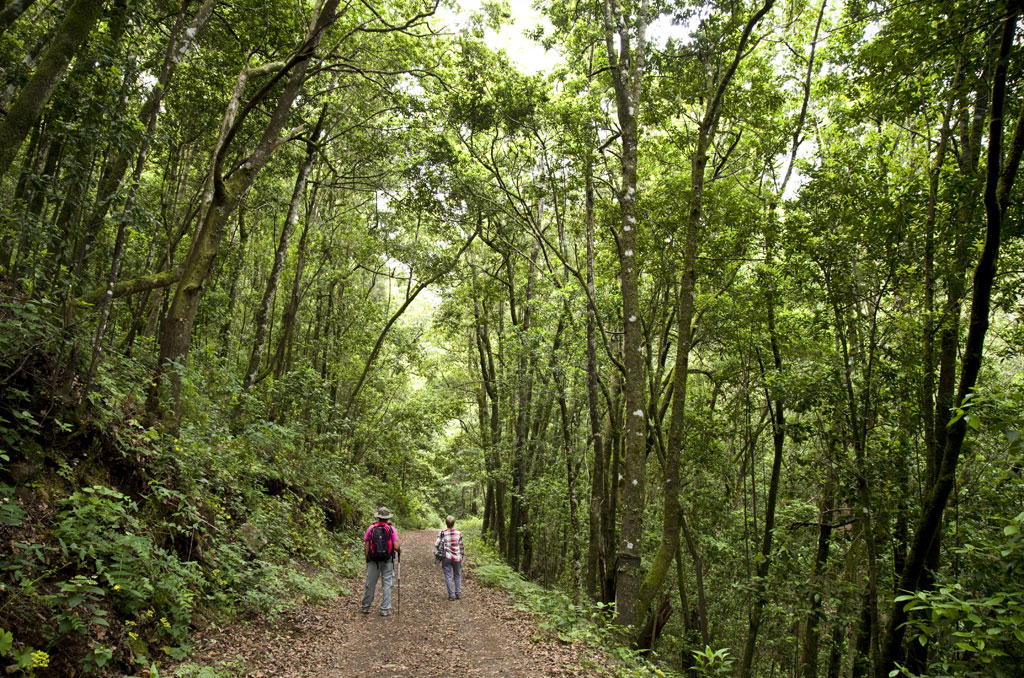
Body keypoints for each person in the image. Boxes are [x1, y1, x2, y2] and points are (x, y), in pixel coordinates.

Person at [361, 506, 401, 616]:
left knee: (370, 584)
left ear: (378, 517)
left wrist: (367, 560)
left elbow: (367, 545)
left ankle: (365, 607)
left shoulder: (371, 528)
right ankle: (385, 609)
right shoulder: (391, 529)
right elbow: (396, 546)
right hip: (387, 560)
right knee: (387, 584)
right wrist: (399, 549)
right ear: (388, 518)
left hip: (373, 560)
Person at [434, 515, 465, 600]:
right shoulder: (459, 533)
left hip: (446, 557)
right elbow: (461, 546)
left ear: (446, 523)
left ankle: (451, 595)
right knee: (457, 575)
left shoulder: (442, 532)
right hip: (457, 557)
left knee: (448, 575)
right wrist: (462, 555)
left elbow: (436, 544)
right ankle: (458, 594)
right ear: (454, 523)